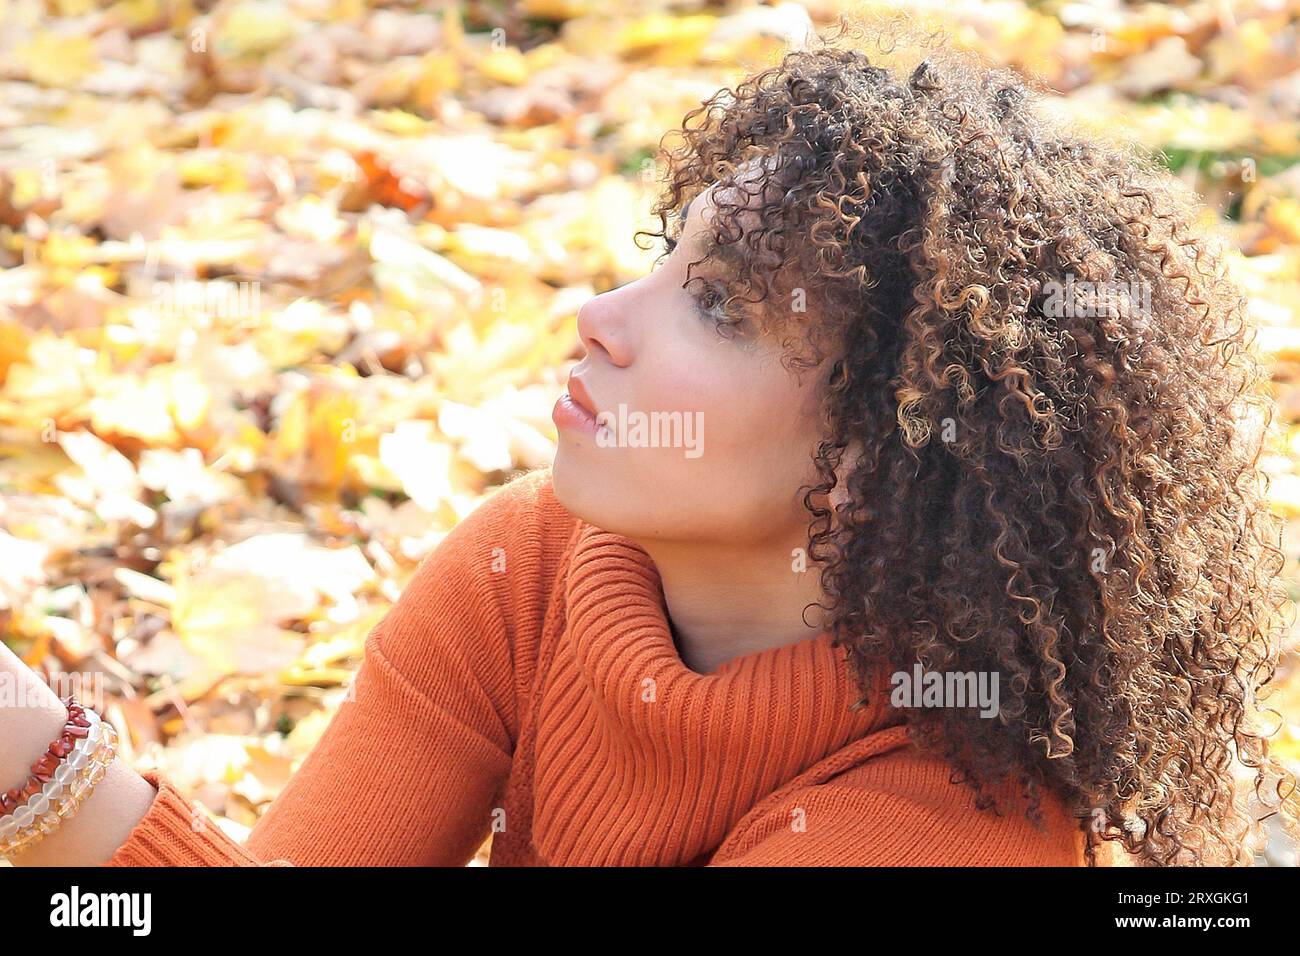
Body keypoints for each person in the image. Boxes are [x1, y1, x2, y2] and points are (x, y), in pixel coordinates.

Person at [4, 21, 1296, 867]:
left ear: (881, 447)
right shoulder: (535, 565)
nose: (598, 321)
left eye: (720, 306)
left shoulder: (940, 815)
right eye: (660, 261)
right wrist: (45, 782)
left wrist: (61, 792)